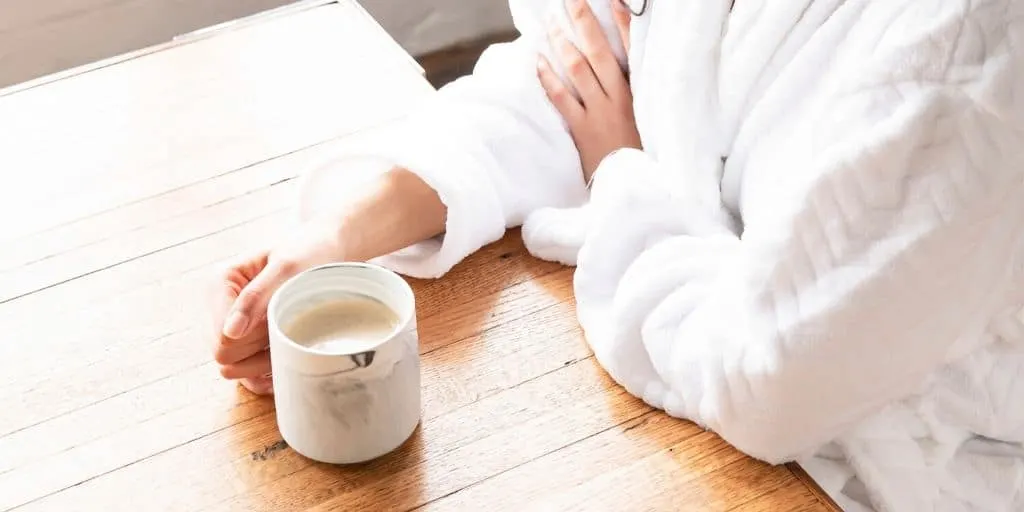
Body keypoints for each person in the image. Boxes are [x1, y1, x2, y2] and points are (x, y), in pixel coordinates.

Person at [209, 0, 1024, 510]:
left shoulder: (969, 56)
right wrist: (340, 238)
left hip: (881, 467)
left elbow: (773, 380)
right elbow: (583, 71)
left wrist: (616, 172)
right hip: (696, 396)